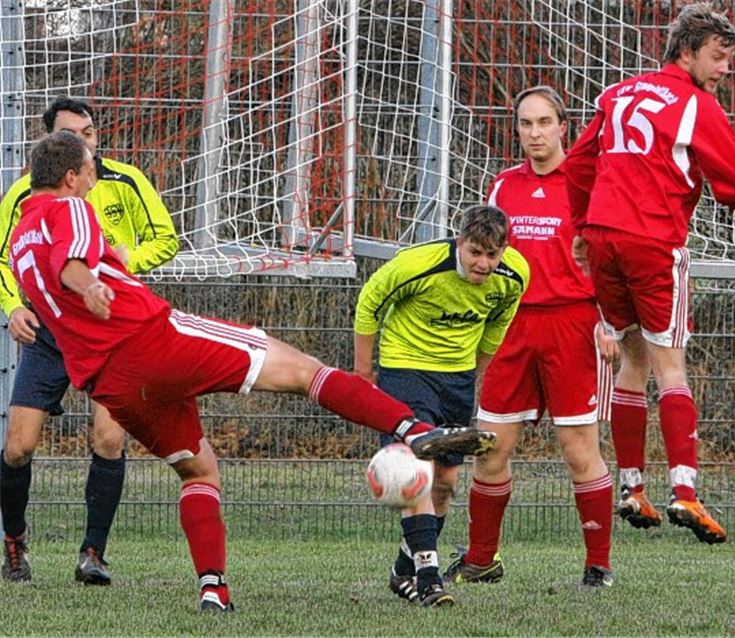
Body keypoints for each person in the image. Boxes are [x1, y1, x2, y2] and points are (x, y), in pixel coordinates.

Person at [3, 130, 495, 610]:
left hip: (110, 383)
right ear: (70, 176)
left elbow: (51, 270)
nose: (95, 179)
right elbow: (72, 261)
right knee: (304, 371)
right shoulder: (70, 208)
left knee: (199, 470)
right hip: (152, 341)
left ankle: (213, 589)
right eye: (91, 171)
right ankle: (416, 429)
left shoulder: (22, 235)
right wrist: (89, 284)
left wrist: (82, 284)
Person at [563, 2, 735, 542]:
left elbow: (580, 163)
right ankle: (685, 492)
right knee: (670, 367)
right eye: (718, 58)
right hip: (653, 239)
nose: (725, 70)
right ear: (688, 51)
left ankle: (632, 487)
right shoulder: (692, 103)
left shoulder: (618, 94)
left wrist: (583, 225)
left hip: (605, 236)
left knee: (631, 359)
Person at [0, 97, 180, 585]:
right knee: (17, 447)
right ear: (50, 146)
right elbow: (5, 258)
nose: (87, 143)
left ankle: (93, 553)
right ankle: (14, 542)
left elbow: (166, 239)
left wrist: (127, 260)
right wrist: (13, 305)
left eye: (90, 132)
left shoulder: (124, 181)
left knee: (109, 437)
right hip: (49, 332)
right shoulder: (27, 195)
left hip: (109, 331)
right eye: (73, 135)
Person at [443, 86, 616, 589]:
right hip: (512, 327)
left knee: (578, 448)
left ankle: (597, 564)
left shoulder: (589, 181)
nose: (535, 133)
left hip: (574, 325)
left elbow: (608, 258)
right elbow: (483, 259)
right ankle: (480, 559)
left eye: (544, 122)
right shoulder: (503, 187)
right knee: (491, 447)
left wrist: (610, 321)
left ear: (565, 126)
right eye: (525, 124)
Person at [353, 205, 529, 606]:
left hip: (457, 380)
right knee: (417, 473)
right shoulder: (418, 264)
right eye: (474, 253)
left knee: (446, 483)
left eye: (492, 254)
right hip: (405, 371)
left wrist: (472, 372)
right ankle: (430, 578)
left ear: (504, 251)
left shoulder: (515, 275)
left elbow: (499, 321)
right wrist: (364, 374)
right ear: (459, 243)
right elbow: (369, 302)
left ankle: (403, 570)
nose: (483, 263)